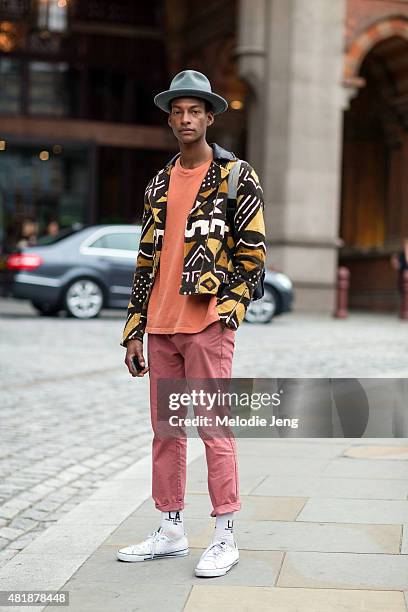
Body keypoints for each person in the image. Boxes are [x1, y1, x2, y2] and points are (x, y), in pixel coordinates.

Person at [117, 70, 266, 577]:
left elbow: (253, 253)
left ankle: (225, 534)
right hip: (159, 326)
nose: (186, 119)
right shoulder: (159, 182)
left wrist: (229, 312)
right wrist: (134, 329)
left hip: (206, 324)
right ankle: (171, 529)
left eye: (194, 111)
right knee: (166, 431)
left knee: (213, 428)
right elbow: (145, 260)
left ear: (209, 116)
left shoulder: (235, 175)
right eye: (178, 111)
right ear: (169, 118)